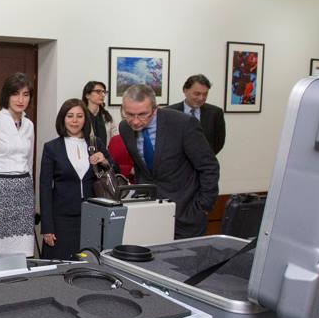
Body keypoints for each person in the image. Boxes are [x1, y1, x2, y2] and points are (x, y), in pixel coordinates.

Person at [119, 83, 219, 239]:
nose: (136, 121)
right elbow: (141, 168)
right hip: (148, 214)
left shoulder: (183, 124)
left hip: (186, 213)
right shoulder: (125, 128)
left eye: (142, 114)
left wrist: (203, 207)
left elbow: (209, 166)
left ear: (155, 109)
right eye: (130, 114)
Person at [39, 98, 110, 259]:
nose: (74, 120)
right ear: (63, 119)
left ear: (85, 119)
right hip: (61, 219)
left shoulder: (96, 144)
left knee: (89, 263)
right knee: (59, 265)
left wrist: (104, 160)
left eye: (79, 116)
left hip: (92, 217)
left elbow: (113, 171)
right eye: (70, 116)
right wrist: (47, 227)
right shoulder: (52, 148)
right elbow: (45, 188)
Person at [0, 73, 36, 256]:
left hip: (24, 190)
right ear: (7, 95)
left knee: (23, 251)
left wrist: (31, 194)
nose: (21, 100)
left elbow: (29, 161)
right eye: (15, 94)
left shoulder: (29, 125)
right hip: (0, 190)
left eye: (25, 94)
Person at [166, 74, 226, 155]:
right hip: (176, 161)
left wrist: (204, 158)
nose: (201, 98)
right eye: (197, 94)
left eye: (205, 94)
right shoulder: (169, 112)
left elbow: (218, 143)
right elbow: (165, 141)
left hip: (205, 161)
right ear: (185, 90)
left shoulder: (215, 113)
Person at [82, 80, 113, 150]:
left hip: (105, 154)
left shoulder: (107, 116)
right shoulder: (81, 116)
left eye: (104, 92)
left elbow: (115, 138)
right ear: (87, 95)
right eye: (98, 91)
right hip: (85, 153)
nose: (103, 95)